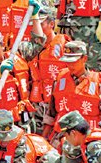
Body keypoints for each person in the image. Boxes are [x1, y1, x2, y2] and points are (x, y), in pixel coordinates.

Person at [44, 40, 101, 145]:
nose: (70, 65)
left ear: (84, 59)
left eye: (73, 61)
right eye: (67, 61)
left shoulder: (97, 82)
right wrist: (44, 140)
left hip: (90, 138)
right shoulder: (59, 79)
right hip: (62, 137)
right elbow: (51, 114)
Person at [26, 4, 71, 135]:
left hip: (57, 103)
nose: (37, 28)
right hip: (36, 102)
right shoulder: (30, 49)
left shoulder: (64, 45)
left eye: (41, 24)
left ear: (52, 24)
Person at [56, 0, 101, 73]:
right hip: (68, 24)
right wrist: (57, 19)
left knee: (92, 67)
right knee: (70, 64)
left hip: (90, 27)